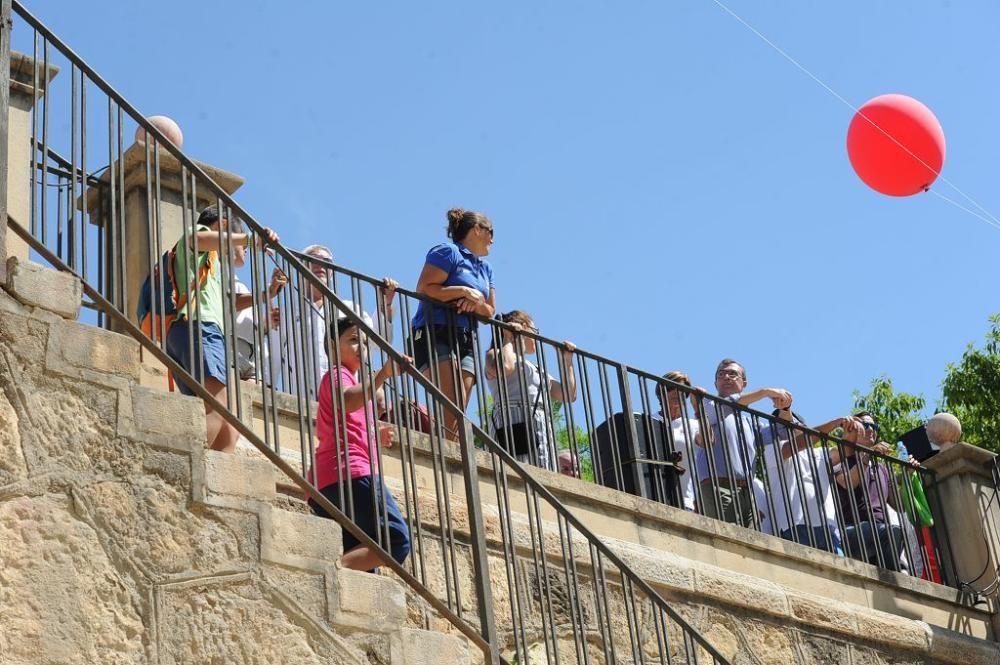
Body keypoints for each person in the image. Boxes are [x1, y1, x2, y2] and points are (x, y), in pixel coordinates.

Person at [166, 204, 282, 453]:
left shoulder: (211, 263)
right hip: (199, 329)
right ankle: (184, 470)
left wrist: (267, 294)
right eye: (238, 242)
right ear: (226, 227)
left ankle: (212, 482)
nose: (243, 251)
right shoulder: (198, 233)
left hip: (195, 332)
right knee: (216, 408)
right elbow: (198, 237)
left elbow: (228, 302)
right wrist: (250, 239)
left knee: (230, 422)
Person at [306, 315, 412, 572]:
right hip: (349, 473)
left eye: (365, 343)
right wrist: (382, 375)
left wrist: (375, 433)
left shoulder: (351, 381)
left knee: (366, 557)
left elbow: (344, 424)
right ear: (332, 346)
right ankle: (329, 574)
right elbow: (346, 400)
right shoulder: (337, 374)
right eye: (353, 340)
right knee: (395, 538)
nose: (361, 347)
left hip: (330, 480)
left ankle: (334, 578)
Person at [267, 243, 398, 400]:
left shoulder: (349, 308)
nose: (320, 264)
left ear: (331, 273)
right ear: (301, 268)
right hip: (303, 403)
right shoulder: (285, 314)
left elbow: (379, 341)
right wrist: (266, 387)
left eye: (327, 262)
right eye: (313, 259)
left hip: (345, 401)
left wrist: (386, 303)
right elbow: (272, 357)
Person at [412, 208, 496, 439]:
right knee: (453, 399)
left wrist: (475, 302)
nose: (493, 239)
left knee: (459, 407)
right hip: (435, 329)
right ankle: (447, 455)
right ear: (476, 229)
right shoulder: (448, 252)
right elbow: (424, 288)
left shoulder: (486, 268)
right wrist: (462, 291)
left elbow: (489, 311)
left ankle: (448, 454)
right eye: (491, 231)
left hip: (466, 337)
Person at [693, 359, 792, 527]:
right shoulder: (710, 404)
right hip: (719, 486)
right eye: (721, 374)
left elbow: (781, 431)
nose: (726, 377)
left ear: (744, 382)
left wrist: (785, 408)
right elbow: (731, 402)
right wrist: (765, 392)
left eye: (732, 374)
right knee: (725, 539)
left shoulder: (748, 422)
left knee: (749, 545)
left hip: (746, 491)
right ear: (715, 383)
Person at [484, 310, 577, 470]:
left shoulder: (536, 369)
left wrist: (566, 361)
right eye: (535, 331)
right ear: (525, 327)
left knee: (544, 474)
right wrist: (508, 337)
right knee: (514, 472)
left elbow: (568, 394)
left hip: (539, 427)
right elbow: (506, 367)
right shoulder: (494, 354)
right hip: (512, 424)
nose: (537, 337)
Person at [759, 408, 852, 554]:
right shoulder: (773, 449)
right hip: (794, 525)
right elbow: (800, 443)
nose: (784, 429)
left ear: (804, 427)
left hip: (828, 526)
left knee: (837, 575)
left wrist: (853, 431)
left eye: (789, 423)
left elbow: (846, 450)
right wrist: (834, 424)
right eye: (779, 426)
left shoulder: (820, 452)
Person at [832, 411, 914, 571]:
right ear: (853, 429)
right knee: (892, 534)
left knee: (896, 533)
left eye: (874, 426)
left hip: (881, 534)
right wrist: (866, 457)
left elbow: (899, 506)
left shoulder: (882, 468)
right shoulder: (841, 459)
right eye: (865, 425)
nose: (871, 429)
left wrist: (907, 476)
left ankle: (892, 574)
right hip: (851, 532)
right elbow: (848, 483)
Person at [655, 371, 706, 512]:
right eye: (672, 387)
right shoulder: (648, 420)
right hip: (652, 496)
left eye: (683, 389)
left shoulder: (693, 425)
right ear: (661, 392)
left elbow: (708, 441)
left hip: (684, 501)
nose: (677, 392)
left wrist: (699, 408)